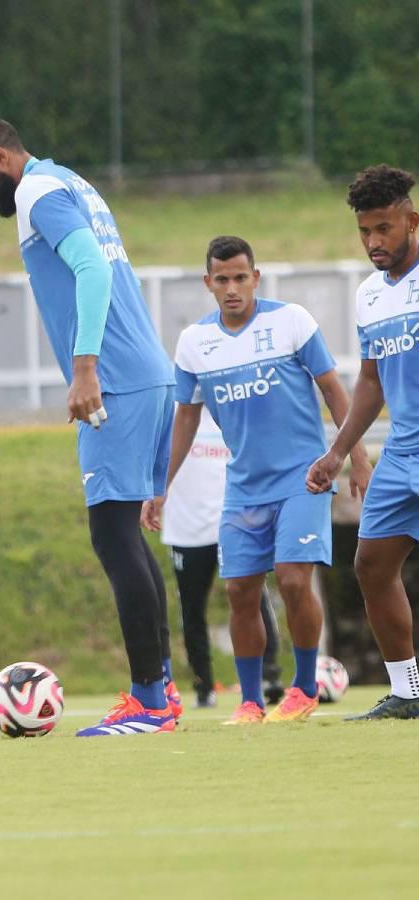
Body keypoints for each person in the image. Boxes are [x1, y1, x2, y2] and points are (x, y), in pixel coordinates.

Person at [0, 117, 182, 737]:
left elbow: (93, 271)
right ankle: (159, 689)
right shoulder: (70, 181)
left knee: (111, 536)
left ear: (0, 156)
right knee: (125, 535)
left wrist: (85, 368)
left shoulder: (36, 191)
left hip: (116, 380)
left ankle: (150, 701)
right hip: (147, 373)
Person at [144, 236, 370, 725]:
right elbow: (185, 418)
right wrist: (159, 486)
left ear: (255, 278)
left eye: (240, 277)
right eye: (221, 279)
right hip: (244, 486)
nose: (231, 288)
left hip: (303, 478)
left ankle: (305, 687)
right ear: (208, 283)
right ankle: (249, 702)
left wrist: (358, 459)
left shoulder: (290, 321)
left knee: (292, 579)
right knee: (240, 592)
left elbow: (335, 390)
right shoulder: (194, 344)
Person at [308, 164, 419, 720]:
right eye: (364, 232)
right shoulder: (371, 296)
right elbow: (371, 381)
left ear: (411, 221)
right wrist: (337, 452)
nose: (374, 242)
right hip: (402, 452)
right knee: (372, 565)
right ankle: (410, 692)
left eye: (384, 229)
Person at [158, 406, 284, 709]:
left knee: (254, 598)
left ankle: (270, 677)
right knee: (192, 610)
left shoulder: (229, 409)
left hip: (234, 524)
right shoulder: (170, 414)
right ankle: (203, 685)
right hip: (187, 531)